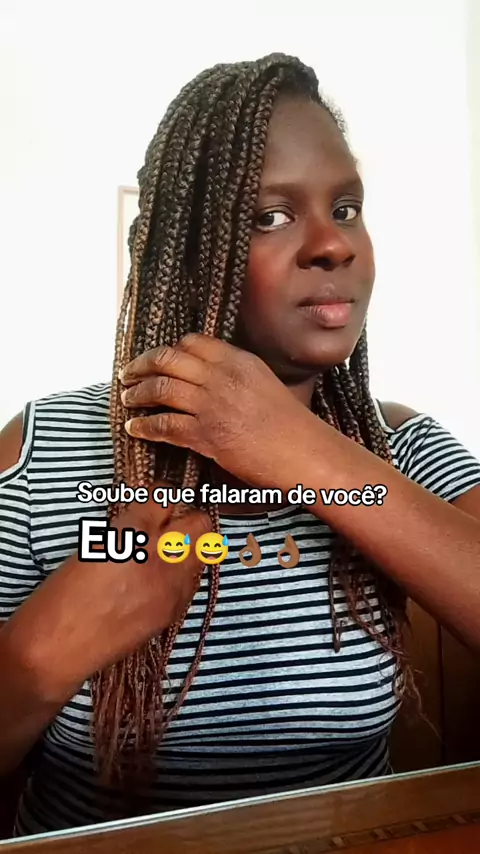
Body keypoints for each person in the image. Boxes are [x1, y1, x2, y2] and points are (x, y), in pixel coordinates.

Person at [1, 53, 480, 839]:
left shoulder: (401, 448)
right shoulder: (41, 451)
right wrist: (39, 655)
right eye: (271, 216)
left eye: (347, 208)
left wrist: (302, 452)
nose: (334, 246)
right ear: (185, 251)